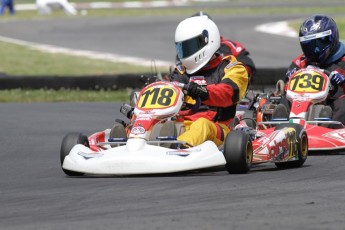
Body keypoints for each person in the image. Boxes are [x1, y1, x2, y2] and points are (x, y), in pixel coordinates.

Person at [169, 14, 249, 147]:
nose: (186, 52)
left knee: (202, 124)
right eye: (183, 48)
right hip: (181, 126)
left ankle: (178, 150)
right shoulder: (181, 71)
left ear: (208, 40)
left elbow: (228, 92)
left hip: (217, 129)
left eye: (190, 46)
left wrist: (203, 92)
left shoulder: (231, 67)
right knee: (155, 122)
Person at [284, 15, 345, 124]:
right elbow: (284, 87)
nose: (314, 50)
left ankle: (334, 129)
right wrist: (289, 80)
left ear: (331, 39)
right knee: (283, 100)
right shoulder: (300, 62)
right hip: (302, 103)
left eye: (319, 44)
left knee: (342, 103)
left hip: (333, 107)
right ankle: (278, 126)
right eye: (309, 45)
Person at [174, 12, 256, 82]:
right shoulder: (183, 53)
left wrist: (237, 75)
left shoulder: (229, 47)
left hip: (224, 83)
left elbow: (247, 63)